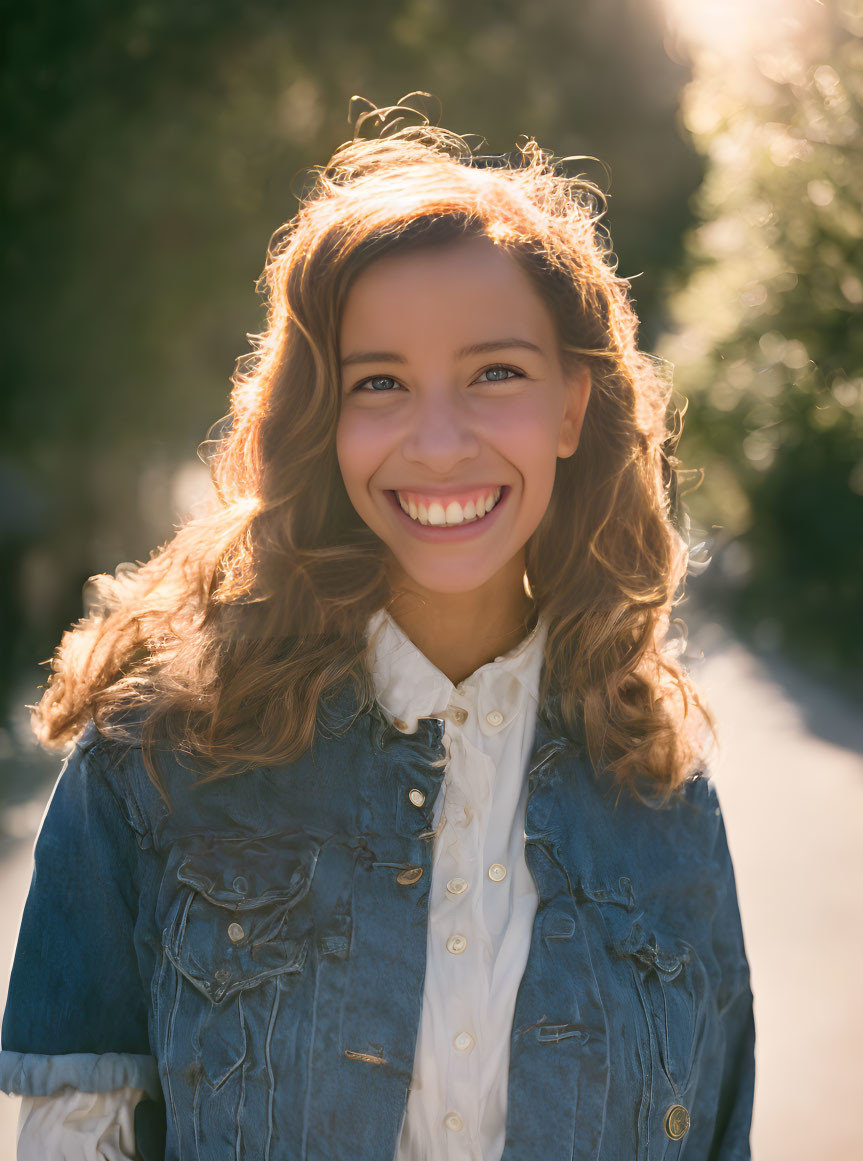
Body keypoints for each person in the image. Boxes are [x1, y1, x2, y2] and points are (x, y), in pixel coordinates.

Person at [0, 102, 755, 1160]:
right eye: (381, 385)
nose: (438, 443)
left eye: (497, 373)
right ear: (325, 418)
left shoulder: (666, 801)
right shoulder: (152, 764)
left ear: (573, 406)